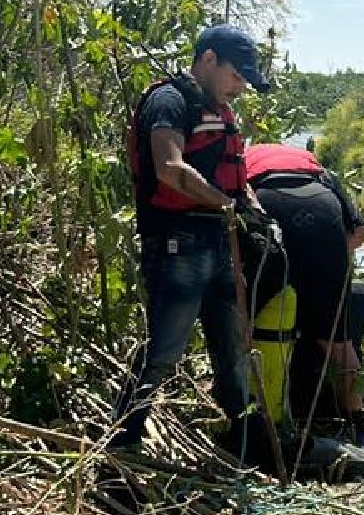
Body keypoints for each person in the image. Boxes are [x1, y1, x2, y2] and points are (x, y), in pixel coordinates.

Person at [110, 24, 272, 450]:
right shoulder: (169, 101)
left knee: (232, 346)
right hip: (177, 241)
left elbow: (236, 178)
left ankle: (241, 441)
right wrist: (226, 202)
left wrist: (252, 211)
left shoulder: (218, 109)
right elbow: (169, 168)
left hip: (218, 241)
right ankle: (121, 440)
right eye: (236, 77)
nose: (239, 88)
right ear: (208, 60)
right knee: (165, 349)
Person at [243, 142, 364, 445]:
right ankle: (358, 432)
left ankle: (247, 420)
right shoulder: (319, 171)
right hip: (323, 209)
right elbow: (360, 233)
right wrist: (326, 260)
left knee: (246, 326)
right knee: (341, 349)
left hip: (268, 204)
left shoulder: (241, 160)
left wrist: (291, 269)